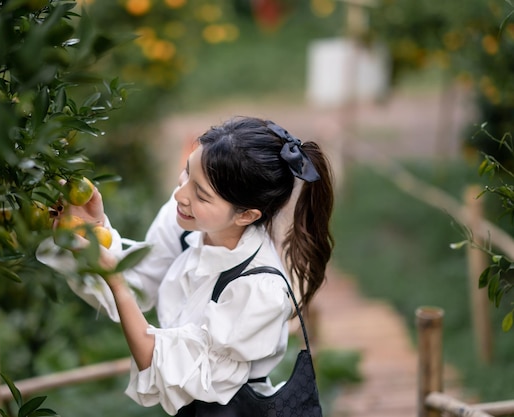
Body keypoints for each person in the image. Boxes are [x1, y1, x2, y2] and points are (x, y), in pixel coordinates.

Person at [37, 116, 335, 416]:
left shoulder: (259, 290)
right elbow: (137, 285)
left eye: (201, 194)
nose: (181, 195)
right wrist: (91, 230)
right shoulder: (183, 223)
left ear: (246, 216)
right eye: (187, 172)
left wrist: (113, 278)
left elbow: (168, 369)